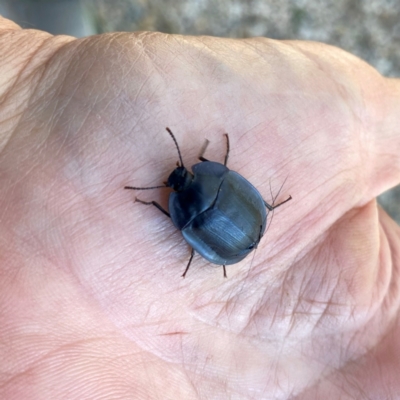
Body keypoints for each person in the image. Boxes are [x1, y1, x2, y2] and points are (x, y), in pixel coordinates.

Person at [0, 15, 399, 399]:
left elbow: (200, 200)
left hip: (238, 234)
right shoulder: (208, 187)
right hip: (242, 230)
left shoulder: (190, 208)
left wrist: (25, 81)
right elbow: (219, 178)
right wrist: (25, 83)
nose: (179, 174)